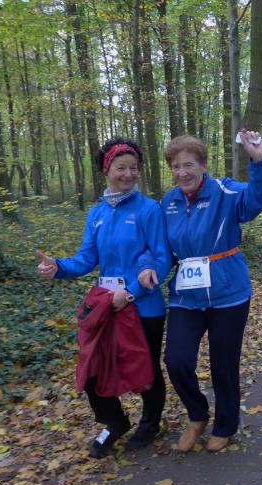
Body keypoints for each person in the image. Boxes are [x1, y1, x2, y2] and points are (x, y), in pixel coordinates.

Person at [138, 132, 262, 453]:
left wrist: (259, 161)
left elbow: (256, 199)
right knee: (176, 360)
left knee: (223, 364)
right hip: (186, 296)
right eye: (176, 166)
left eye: (188, 165)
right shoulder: (168, 203)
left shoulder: (225, 192)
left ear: (203, 165)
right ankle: (197, 415)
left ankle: (225, 425)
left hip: (228, 294)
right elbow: (158, 247)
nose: (182, 172)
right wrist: (149, 265)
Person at [36, 138, 171, 458]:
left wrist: (132, 292)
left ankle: (150, 424)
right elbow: (86, 258)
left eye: (134, 168)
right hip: (106, 305)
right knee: (92, 367)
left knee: (146, 369)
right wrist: (58, 267)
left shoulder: (149, 209)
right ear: (106, 170)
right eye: (121, 168)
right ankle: (115, 421)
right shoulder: (96, 213)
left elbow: (161, 257)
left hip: (144, 307)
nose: (128, 174)